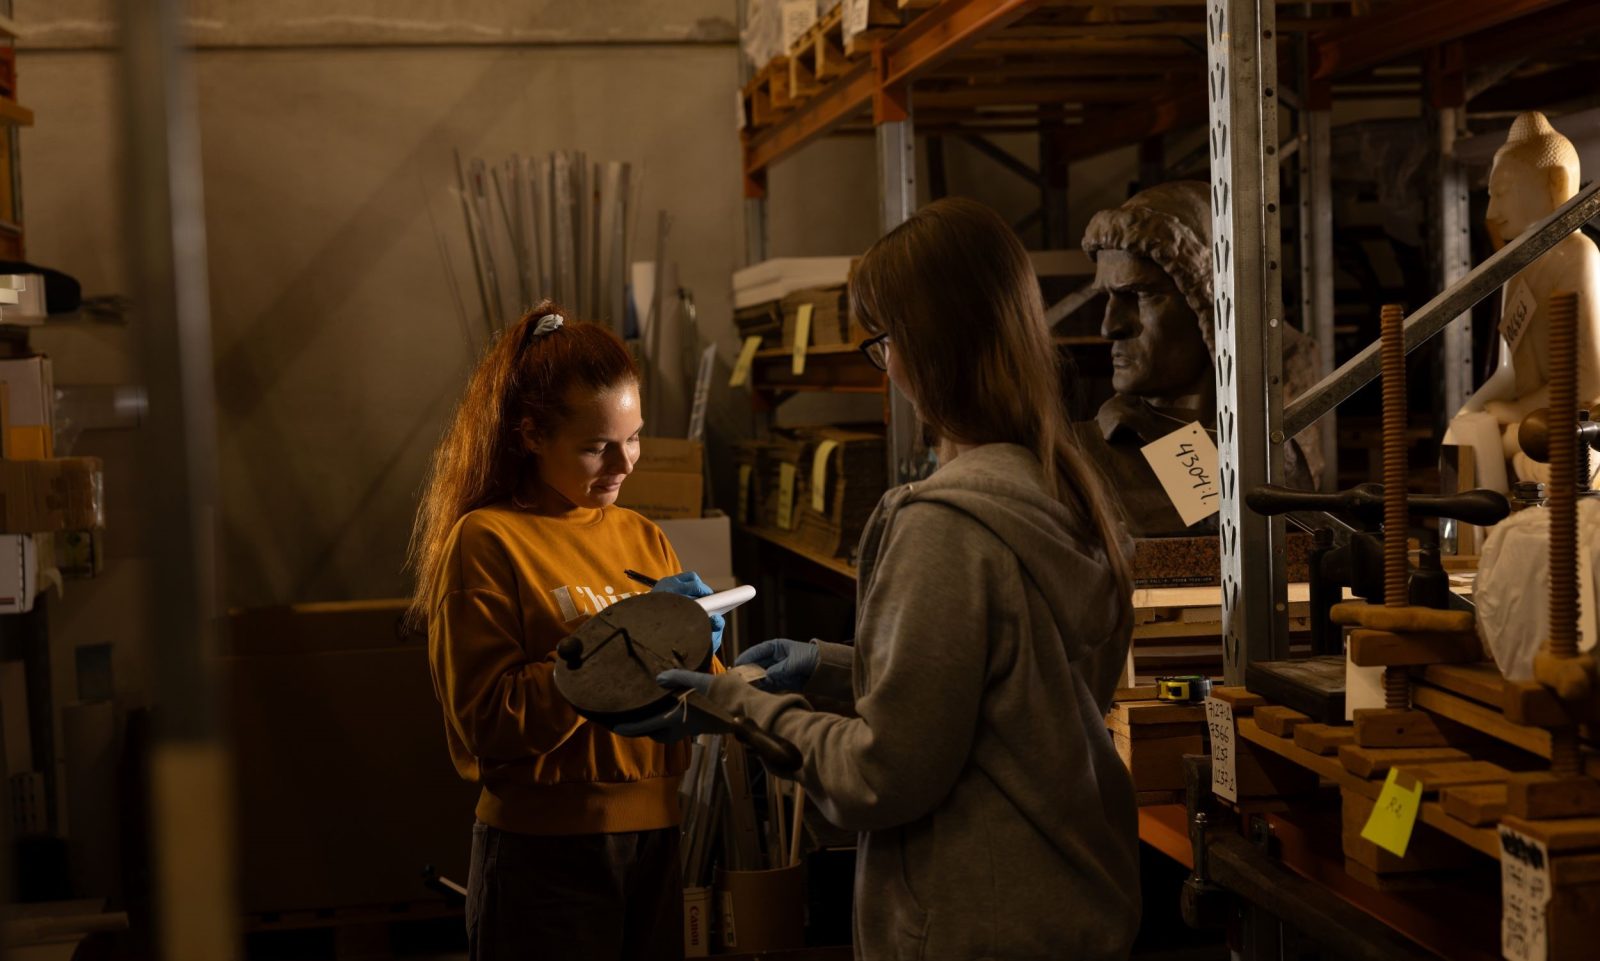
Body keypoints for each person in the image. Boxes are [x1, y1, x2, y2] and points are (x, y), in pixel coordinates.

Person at [656, 199, 1142, 960]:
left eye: (882, 343)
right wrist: (828, 667)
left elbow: (881, 775)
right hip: (1074, 904)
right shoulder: (1063, 487)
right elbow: (1008, 693)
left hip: (975, 924)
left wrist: (742, 707)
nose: (886, 368)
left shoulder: (944, 523)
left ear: (921, 349)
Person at [407, 303, 721, 961]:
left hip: (659, 839)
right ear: (528, 435)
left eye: (633, 436)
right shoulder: (488, 540)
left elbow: (693, 702)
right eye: (595, 446)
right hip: (545, 857)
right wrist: (610, 651)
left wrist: (710, 662)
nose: (625, 463)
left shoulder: (641, 534)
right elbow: (488, 720)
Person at [1077, 181, 1318, 534]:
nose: (1109, 326)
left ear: (1210, 304)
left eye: (1139, 295)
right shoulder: (1082, 457)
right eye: (1109, 299)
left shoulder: (1279, 442)